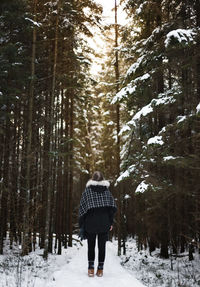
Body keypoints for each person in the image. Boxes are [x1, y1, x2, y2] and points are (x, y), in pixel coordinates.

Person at [79, 171, 117, 277]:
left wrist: (82, 224)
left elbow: (82, 209)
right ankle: (100, 270)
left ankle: (91, 269)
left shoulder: (87, 191)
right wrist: (111, 222)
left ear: (92, 179)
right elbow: (111, 209)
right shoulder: (107, 191)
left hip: (90, 223)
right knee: (102, 247)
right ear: (102, 180)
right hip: (104, 223)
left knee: (91, 247)